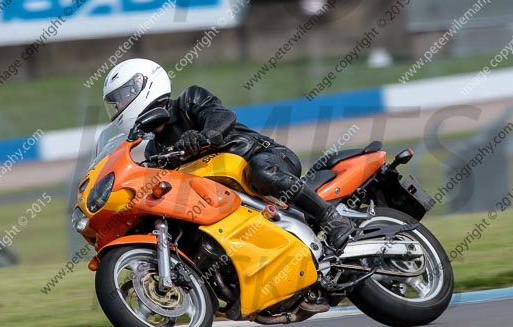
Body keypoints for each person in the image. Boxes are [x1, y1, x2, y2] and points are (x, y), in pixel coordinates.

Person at [102, 58, 355, 250]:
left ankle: (331, 219)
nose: (121, 107)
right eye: (116, 103)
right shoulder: (153, 149)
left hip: (265, 157)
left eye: (123, 98)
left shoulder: (189, 100)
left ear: (145, 84)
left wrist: (204, 136)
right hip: (226, 195)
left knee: (261, 172)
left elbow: (222, 116)